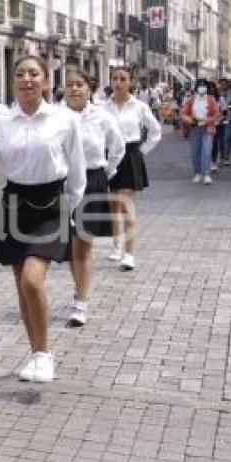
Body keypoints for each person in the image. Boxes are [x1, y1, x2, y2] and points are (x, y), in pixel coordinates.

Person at [0, 55, 86, 383]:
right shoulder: (1, 122)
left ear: (45, 80)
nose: (26, 79)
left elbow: (76, 169)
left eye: (33, 73)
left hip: (51, 203)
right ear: (12, 81)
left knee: (32, 279)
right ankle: (35, 353)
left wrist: (71, 210)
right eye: (20, 74)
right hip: (15, 202)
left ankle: (44, 355)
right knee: (22, 286)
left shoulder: (64, 119)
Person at [63, 69, 125, 327]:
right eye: (69, 85)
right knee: (69, 246)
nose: (74, 89)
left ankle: (81, 301)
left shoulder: (101, 116)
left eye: (79, 84)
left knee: (84, 242)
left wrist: (106, 174)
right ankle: (79, 289)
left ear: (89, 88)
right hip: (62, 183)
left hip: (92, 179)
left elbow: (118, 146)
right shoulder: (56, 116)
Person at [103, 66, 162, 272]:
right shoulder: (103, 107)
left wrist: (141, 152)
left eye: (122, 78)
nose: (118, 82)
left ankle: (129, 254)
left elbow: (155, 131)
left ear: (130, 82)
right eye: (115, 78)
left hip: (130, 155)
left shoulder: (139, 107)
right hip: (110, 156)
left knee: (127, 206)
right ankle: (117, 245)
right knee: (113, 206)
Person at [180, 79, 219, 185]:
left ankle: (206, 174)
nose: (202, 87)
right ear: (196, 87)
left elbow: (216, 114)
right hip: (194, 130)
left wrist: (206, 121)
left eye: (204, 85)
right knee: (195, 152)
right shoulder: (191, 99)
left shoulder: (211, 99)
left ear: (207, 88)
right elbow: (183, 112)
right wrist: (190, 120)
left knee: (207, 151)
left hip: (207, 129)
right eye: (200, 85)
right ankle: (197, 173)